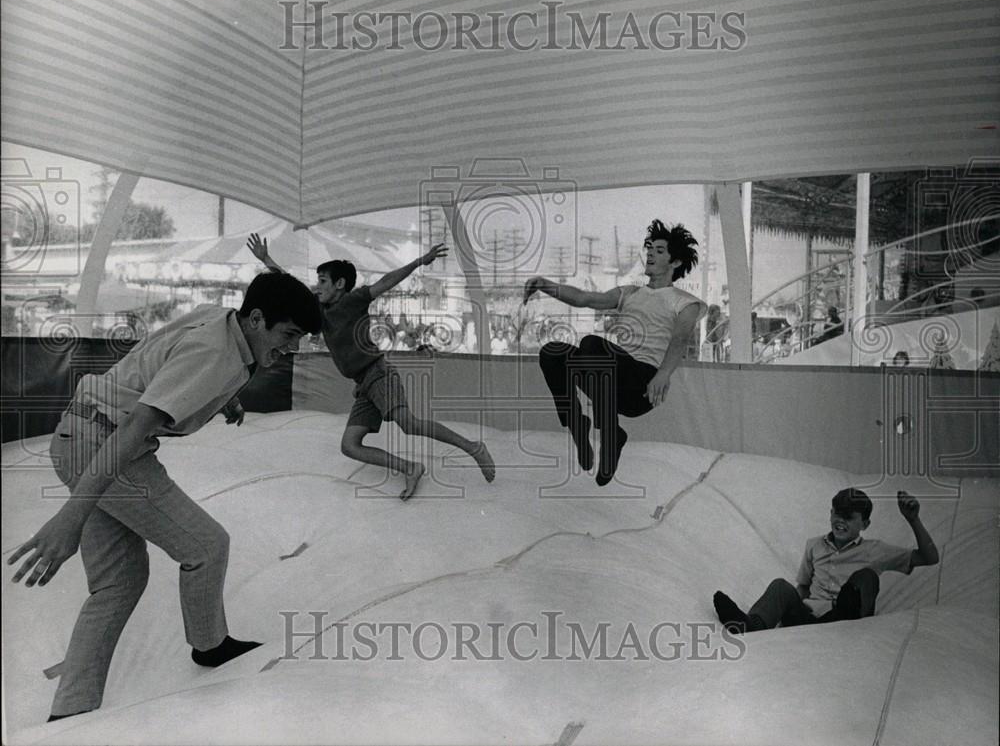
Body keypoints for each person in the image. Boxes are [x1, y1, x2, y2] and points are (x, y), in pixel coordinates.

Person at [7, 272, 322, 722]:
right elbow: (137, 425)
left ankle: (70, 713)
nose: (292, 348)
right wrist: (71, 518)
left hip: (76, 434)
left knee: (118, 582)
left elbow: (158, 355)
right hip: (108, 444)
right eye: (288, 335)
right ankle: (210, 646)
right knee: (207, 545)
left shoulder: (220, 319)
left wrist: (222, 398)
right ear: (256, 318)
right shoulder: (213, 354)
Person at [247, 234, 495, 500]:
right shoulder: (319, 311)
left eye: (322, 281)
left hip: (378, 374)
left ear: (340, 284)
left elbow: (386, 281)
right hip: (363, 384)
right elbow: (289, 286)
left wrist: (420, 261)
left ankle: (473, 447)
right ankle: (410, 468)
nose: (316, 287)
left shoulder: (352, 301)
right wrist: (266, 259)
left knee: (408, 424)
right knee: (350, 446)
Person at [525, 220, 705, 485]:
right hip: (608, 378)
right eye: (650, 249)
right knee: (552, 352)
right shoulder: (630, 292)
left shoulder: (685, 302)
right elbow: (584, 299)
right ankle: (579, 424)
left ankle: (609, 433)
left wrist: (663, 375)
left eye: (659, 250)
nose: (651, 254)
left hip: (641, 384)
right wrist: (544, 284)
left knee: (591, 344)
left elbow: (679, 340)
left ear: (675, 262)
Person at [713, 488, 938, 633]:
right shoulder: (814, 545)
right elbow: (802, 586)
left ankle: (848, 614)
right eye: (837, 514)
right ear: (830, 513)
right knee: (781, 586)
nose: (840, 521)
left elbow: (929, 558)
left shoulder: (874, 550)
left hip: (845, 618)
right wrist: (785, 608)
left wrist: (913, 519)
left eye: (849, 517)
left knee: (866, 577)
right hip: (810, 618)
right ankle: (750, 625)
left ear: (865, 524)